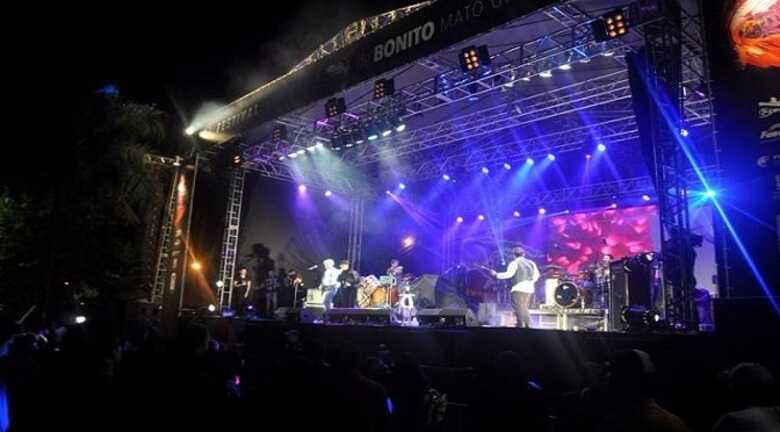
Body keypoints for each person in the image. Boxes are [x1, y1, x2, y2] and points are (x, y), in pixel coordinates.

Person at [490, 247, 540, 328]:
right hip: (529, 288)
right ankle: (527, 325)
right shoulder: (531, 263)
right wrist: (530, 282)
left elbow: (509, 274)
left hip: (518, 288)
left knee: (519, 307)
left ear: (513, 255)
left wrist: (496, 275)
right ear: (524, 254)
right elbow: (537, 275)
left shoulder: (514, 263)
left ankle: (522, 325)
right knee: (523, 307)